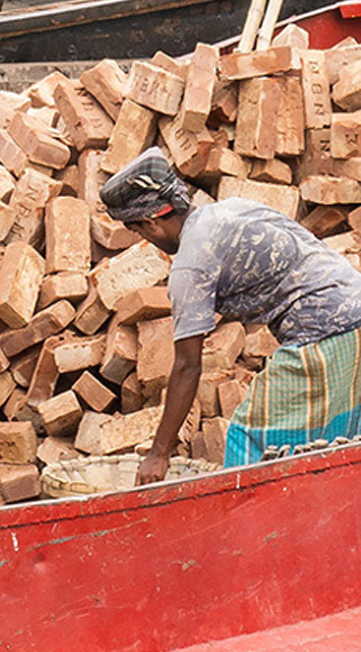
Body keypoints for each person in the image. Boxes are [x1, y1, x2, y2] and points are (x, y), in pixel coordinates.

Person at [99, 147, 361, 485]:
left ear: (150, 223)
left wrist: (158, 452)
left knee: (250, 437)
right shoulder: (231, 210)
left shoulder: (191, 264)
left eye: (138, 233)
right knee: (337, 439)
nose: (145, 240)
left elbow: (187, 365)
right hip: (355, 313)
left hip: (322, 334)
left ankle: (249, 532)